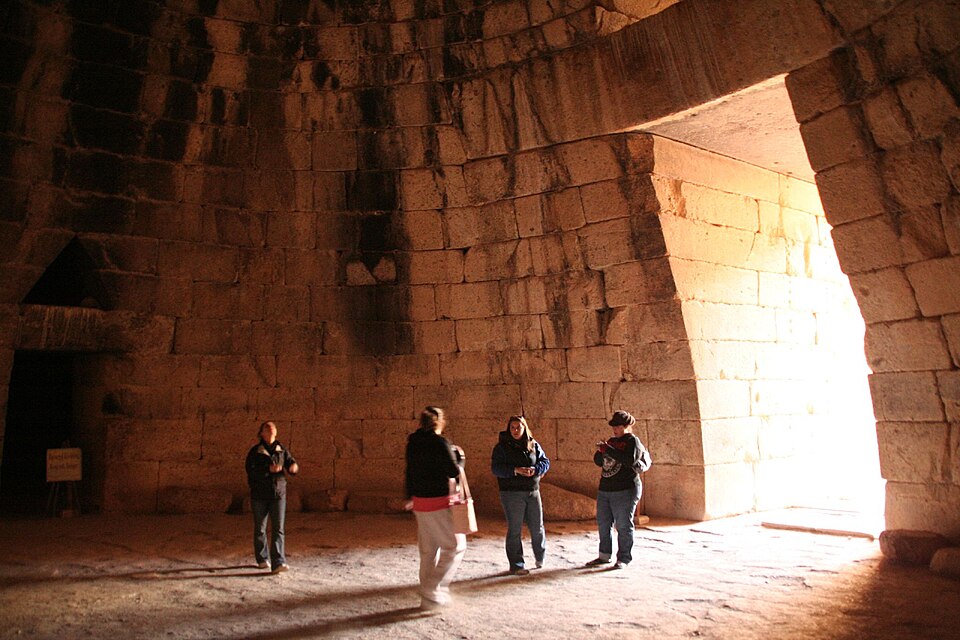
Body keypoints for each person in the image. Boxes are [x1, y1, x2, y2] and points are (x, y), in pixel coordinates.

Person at [404, 406, 467, 610]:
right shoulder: (440, 442)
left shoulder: (413, 443)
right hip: (437, 502)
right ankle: (431, 589)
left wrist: (409, 496)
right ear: (439, 422)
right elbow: (452, 470)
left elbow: (409, 471)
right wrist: (459, 459)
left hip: (420, 502)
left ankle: (428, 601)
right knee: (456, 546)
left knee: (428, 551)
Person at [490, 415, 550, 575]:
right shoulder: (501, 447)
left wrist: (536, 470)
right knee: (515, 529)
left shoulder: (533, 444)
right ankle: (517, 564)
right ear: (509, 429)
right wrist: (515, 470)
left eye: (518, 427)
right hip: (511, 493)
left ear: (524, 428)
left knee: (537, 527)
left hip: (532, 490)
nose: (516, 430)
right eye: (513, 428)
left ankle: (540, 557)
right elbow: (495, 468)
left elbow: (545, 462)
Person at [586, 410, 645, 570]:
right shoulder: (611, 441)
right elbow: (599, 462)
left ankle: (624, 558)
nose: (615, 430)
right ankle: (604, 556)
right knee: (603, 524)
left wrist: (609, 450)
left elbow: (629, 460)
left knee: (624, 525)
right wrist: (600, 452)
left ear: (626, 426)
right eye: (614, 426)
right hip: (606, 488)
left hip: (625, 489)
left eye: (618, 426)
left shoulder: (633, 441)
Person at [245, 421, 299, 574]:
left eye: (273, 426)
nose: (270, 428)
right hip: (259, 495)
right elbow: (251, 470)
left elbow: (291, 463)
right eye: (266, 427)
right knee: (260, 528)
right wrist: (268, 469)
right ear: (261, 433)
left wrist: (293, 467)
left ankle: (278, 562)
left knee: (278, 528)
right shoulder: (255, 452)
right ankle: (262, 558)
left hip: (278, 494)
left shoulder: (281, 450)